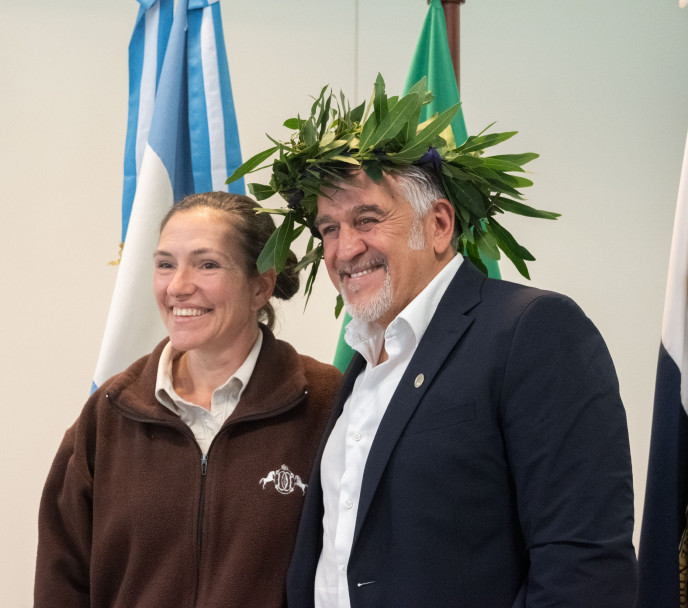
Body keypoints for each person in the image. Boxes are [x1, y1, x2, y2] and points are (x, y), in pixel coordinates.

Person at [233, 77, 637, 607]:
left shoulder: (534, 331)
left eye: (367, 219)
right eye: (329, 229)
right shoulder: (359, 366)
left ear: (439, 224)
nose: (344, 250)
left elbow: (584, 568)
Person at [33, 191, 342, 607]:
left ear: (260, 286)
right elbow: (61, 581)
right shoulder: (110, 411)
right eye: (165, 265)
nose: (178, 287)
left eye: (207, 264)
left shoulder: (323, 401)